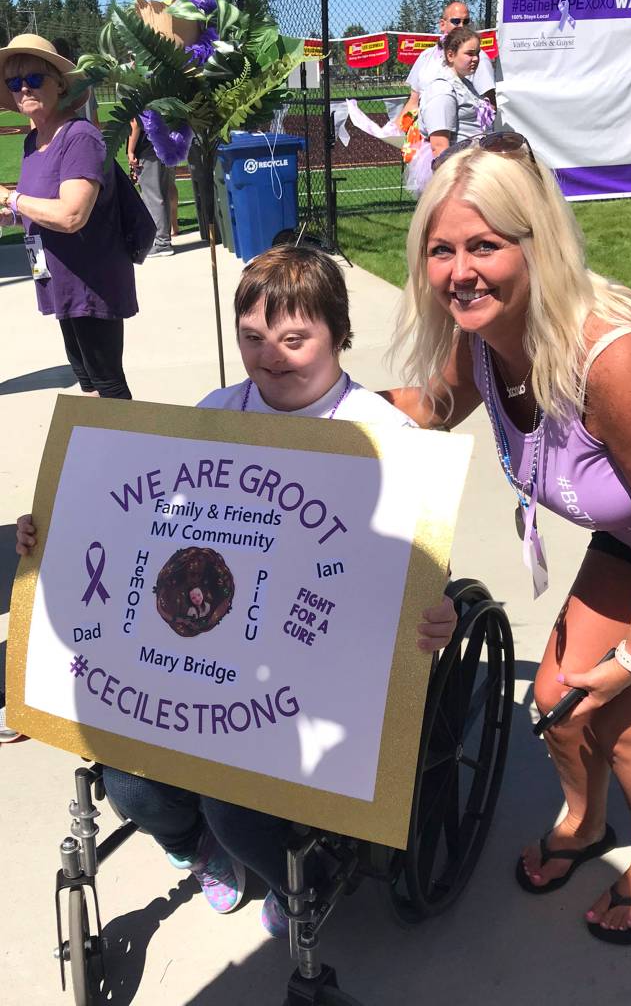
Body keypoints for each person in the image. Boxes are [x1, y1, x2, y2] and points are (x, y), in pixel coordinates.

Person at [16, 245, 458, 937]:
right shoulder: (218, 412)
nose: (271, 356)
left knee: (235, 805)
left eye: (293, 339)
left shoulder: (381, 435)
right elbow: (151, 519)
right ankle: (197, 850)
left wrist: (436, 614)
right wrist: (61, 529)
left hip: (303, 672)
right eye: (252, 338)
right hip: (202, 650)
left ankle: (295, 879)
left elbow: (412, 565)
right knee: (131, 782)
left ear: (338, 333)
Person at [383, 135, 631, 945]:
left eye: (484, 245)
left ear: (534, 244)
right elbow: (428, 412)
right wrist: (289, 405)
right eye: (441, 250)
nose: (458, 271)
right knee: (555, 701)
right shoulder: (480, 337)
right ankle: (583, 824)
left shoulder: (615, 361)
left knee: (624, 723)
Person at [0, 34, 137, 399]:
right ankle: (101, 451)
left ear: (60, 83)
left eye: (33, 78)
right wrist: (11, 217)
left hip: (89, 280)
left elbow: (71, 215)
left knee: (107, 384)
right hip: (57, 278)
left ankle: (128, 454)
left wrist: (13, 199)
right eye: (14, 82)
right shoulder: (34, 141)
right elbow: (38, 207)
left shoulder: (79, 137)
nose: (23, 88)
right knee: (88, 381)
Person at [406, 28, 495, 196]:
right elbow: (440, 147)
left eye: (477, 53)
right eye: (469, 53)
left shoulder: (465, 84)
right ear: (450, 55)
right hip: (458, 172)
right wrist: (452, 190)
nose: (475, 59)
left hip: (473, 166)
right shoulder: (442, 89)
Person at [398, 0, 496, 123]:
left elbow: (490, 105)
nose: (461, 26)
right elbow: (413, 101)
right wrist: (395, 131)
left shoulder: (477, 57)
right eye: (456, 21)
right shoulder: (426, 56)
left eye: (466, 22)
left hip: (460, 136)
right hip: (424, 135)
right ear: (442, 24)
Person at [128, 115, 175, 257]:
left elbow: (136, 124)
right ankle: (163, 240)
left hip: (147, 149)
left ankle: (162, 242)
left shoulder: (134, 94)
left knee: (153, 197)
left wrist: (130, 150)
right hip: (164, 144)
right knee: (162, 194)